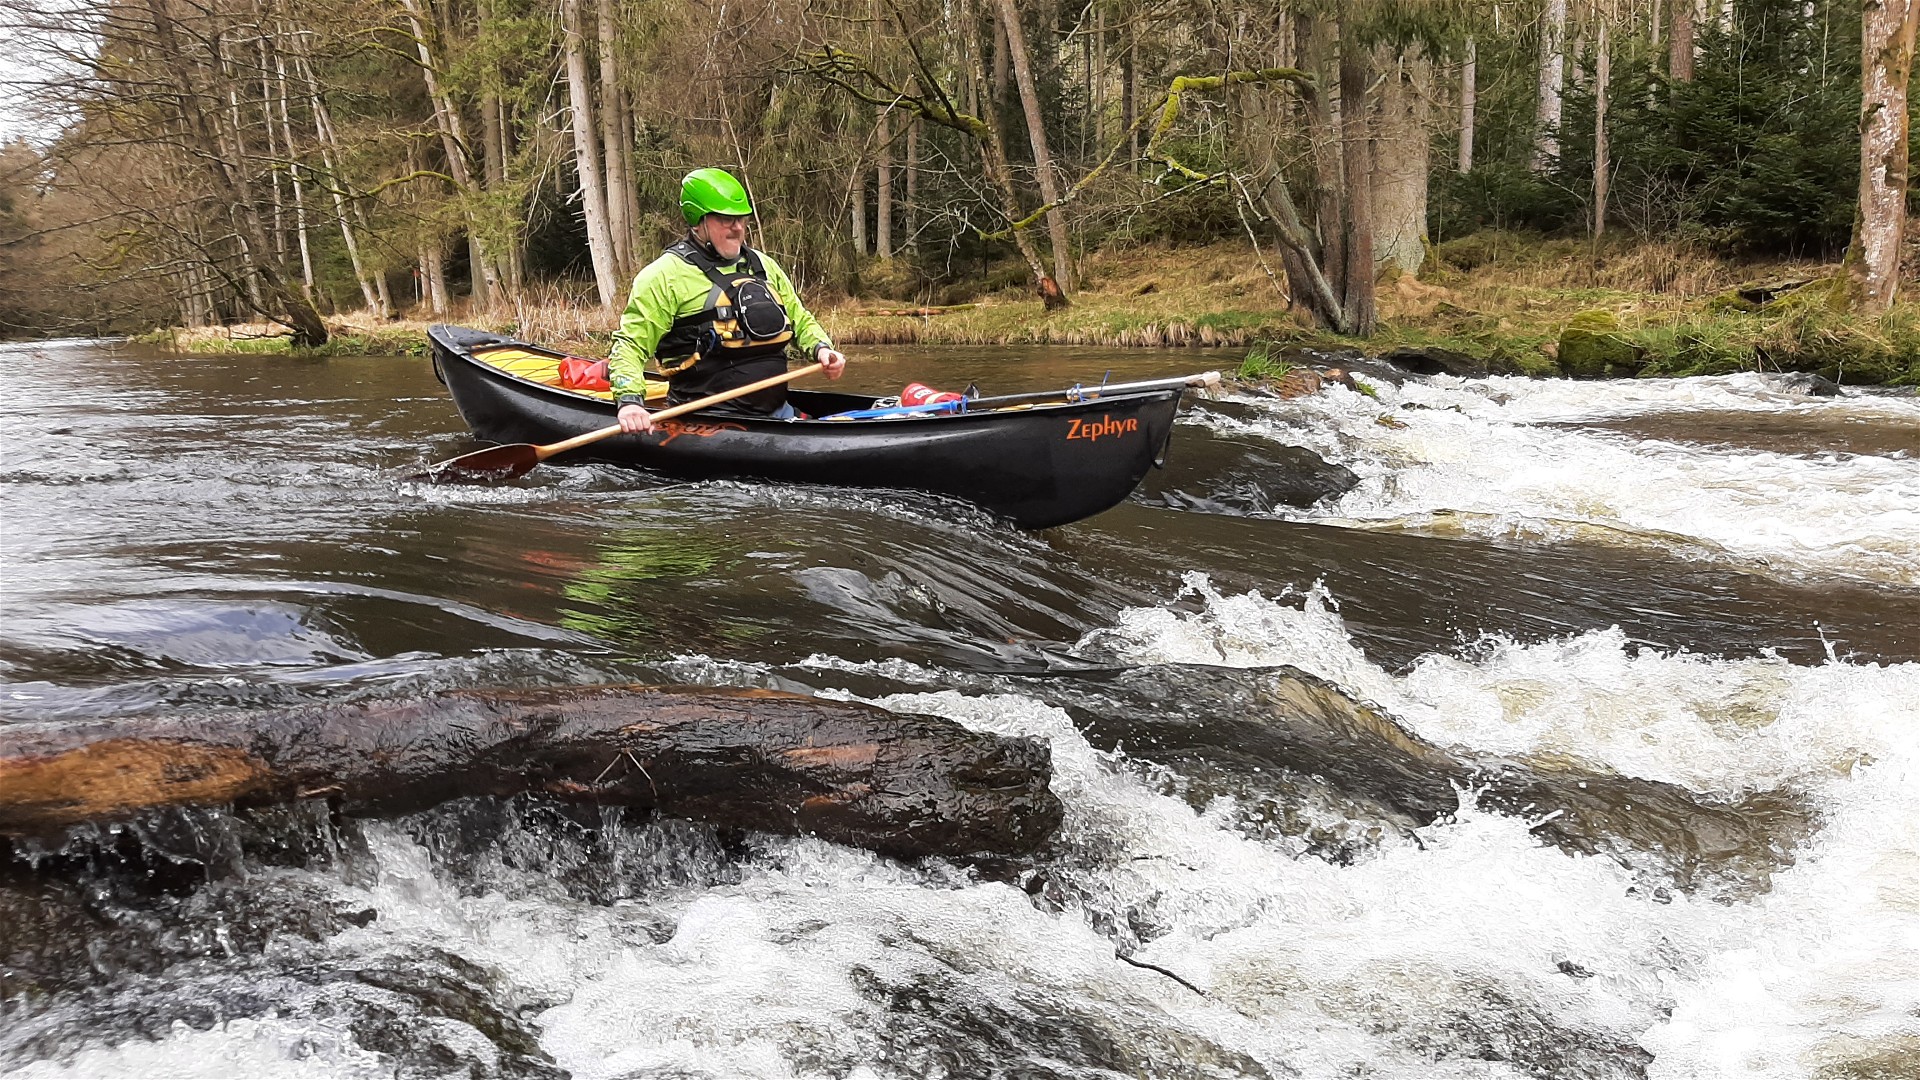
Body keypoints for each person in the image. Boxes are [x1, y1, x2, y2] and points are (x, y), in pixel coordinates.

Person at [609, 167, 846, 434]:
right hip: (705, 422)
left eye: (742, 219)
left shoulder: (763, 265)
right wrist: (629, 402)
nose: (737, 228)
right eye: (725, 219)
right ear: (698, 221)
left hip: (777, 415)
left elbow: (799, 318)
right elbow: (629, 345)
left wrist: (822, 349)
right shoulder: (664, 276)